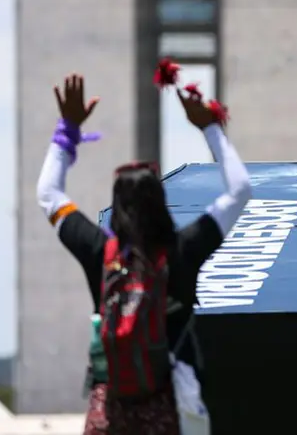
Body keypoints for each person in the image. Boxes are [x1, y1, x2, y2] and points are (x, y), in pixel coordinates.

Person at [36, 73, 251, 434]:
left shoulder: (98, 252)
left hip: (111, 413)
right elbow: (241, 190)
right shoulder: (182, 250)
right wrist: (209, 126)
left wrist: (67, 129)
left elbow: (49, 194)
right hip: (171, 415)